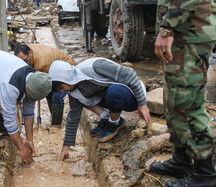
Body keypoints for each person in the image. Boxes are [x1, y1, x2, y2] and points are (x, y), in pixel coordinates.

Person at [150, 0, 216, 186]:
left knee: (187, 104)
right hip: (186, 31)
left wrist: (167, 29)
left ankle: (205, 173)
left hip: (189, 30)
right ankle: (181, 160)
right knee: (174, 100)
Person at [48, 57, 151, 160]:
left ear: (66, 78)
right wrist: (66, 146)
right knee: (82, 100)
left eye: (61, 87)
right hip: (110, 97)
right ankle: (106, 118)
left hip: (131, 96)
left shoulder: (94, 67)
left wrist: (142, 103)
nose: (62, 92)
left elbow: (130, 74)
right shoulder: (73, 91)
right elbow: (73, 117)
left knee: (114, 91)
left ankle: (115, 122)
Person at [14, 44, 77, 125]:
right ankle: (53, 116)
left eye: (25, 61)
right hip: (54, 69)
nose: (23, 63)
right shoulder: (26, 50)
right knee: (49, 94)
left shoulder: (41, 63)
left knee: (56, 95)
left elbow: (43, 83)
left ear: (30, 53)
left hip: (67, 71)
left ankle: (56, 125)